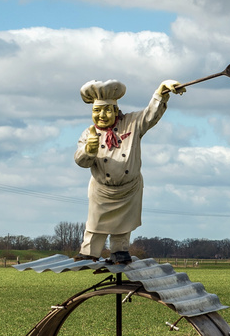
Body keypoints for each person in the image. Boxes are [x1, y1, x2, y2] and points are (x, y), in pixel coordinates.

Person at [75, 77, 185, 261]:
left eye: (106, 110)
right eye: (97, 110)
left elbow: (151, 114)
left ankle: (120, 251)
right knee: (95, 223)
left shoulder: (132, 123)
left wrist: (162, 92)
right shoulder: (89, 133)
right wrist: (89, 150)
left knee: (124, 226)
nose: (101, 115)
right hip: (102, 190)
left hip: (129, 188)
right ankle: (89, 252)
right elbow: (81, 161)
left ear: (116, 110)